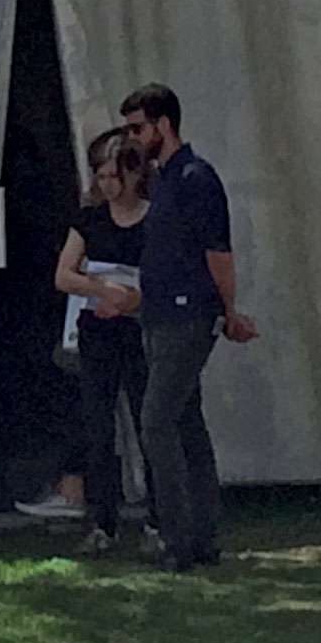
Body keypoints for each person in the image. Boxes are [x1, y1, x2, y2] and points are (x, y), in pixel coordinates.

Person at [119, 82, 258, 571]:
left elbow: (218, 253)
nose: (132, 138)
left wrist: (229, 310)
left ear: (164, 125)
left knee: (156, 420)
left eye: (138, 128)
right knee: (185, 422)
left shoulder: (196, 177)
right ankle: (202, 536)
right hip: (159, 314)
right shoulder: (163, 180)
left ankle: (177, 539)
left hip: (188, 315)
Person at [53, 128, 152, 554]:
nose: (108, 185)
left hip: (140, 332)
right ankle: (103, 522)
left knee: (149, 424)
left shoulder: (153, 220)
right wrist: (102, 289)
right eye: (102, 176)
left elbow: (165, 278)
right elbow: (64, 275)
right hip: (98, 332)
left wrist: (131, 300)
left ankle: (158, 517)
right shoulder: (89, 221)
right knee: (98, 426)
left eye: (116, 176)